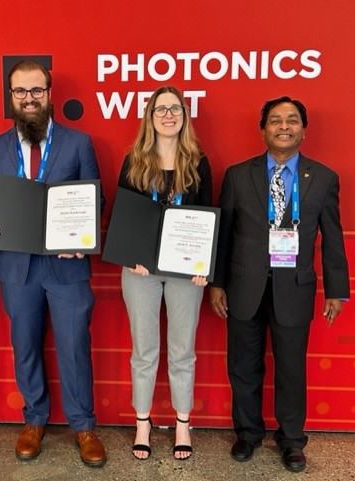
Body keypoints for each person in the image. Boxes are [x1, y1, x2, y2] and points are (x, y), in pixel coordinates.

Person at [209, 96, 350, 472]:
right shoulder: (238, 175)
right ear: (263, 130)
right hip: (243, 286)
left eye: (291, 120)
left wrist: (337, 290)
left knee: (290, 368)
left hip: (295, 286)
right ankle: (248, 434)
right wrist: (216, 282)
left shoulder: (323, 178)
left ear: (304, 129)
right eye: (275, 120)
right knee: (243, 366)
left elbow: (332, 238)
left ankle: (291, 441)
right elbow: (224, 234)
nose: (283, 126)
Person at [0, 60, 107, 467]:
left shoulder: (79, 143)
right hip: (17, 267)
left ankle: (83, 425)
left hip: (66, 267)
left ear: (50, 94)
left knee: (74, 347)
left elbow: (95, 202)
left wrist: (82, 240)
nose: (29, 98)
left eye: (37, 91)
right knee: (25, 346)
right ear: (11, 97)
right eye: (21, 92)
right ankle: (34, 419)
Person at [115, 86, 212, 461]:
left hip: (186, 272)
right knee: (144, 351)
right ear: (150, 117)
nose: (168, 115)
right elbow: (123, 217)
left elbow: (208, 215)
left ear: (184, 115)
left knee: (182, 351)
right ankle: (143, 422)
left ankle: (183, 423)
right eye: (160, 109)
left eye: (175, 108)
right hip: (141, 269)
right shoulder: (134, 160)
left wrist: (204, 267)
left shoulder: (198, 162)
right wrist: (131, 254)